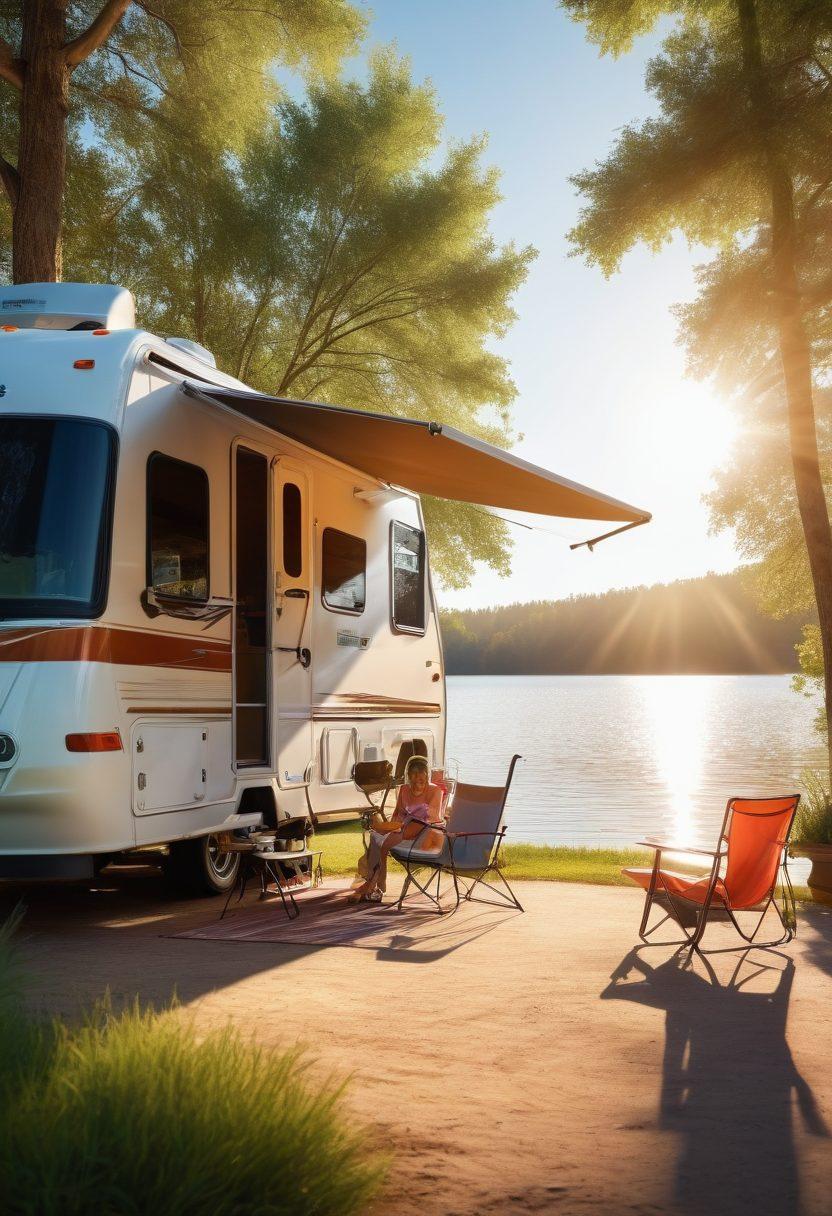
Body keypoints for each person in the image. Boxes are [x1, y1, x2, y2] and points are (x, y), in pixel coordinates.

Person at [348, 756, 444, 903]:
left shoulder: (435, 791)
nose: (417, 782)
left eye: (421, 778)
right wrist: (392, 826)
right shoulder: (404, 789)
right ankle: (374, 883)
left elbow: (433, 818)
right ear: (409, 776)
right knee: (374, 836)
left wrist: (406, 824)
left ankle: (374, 886)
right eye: (413, 777)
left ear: (427, 776)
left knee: (383, 844)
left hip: (422, 832)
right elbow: (398, 813)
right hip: (402, 829)